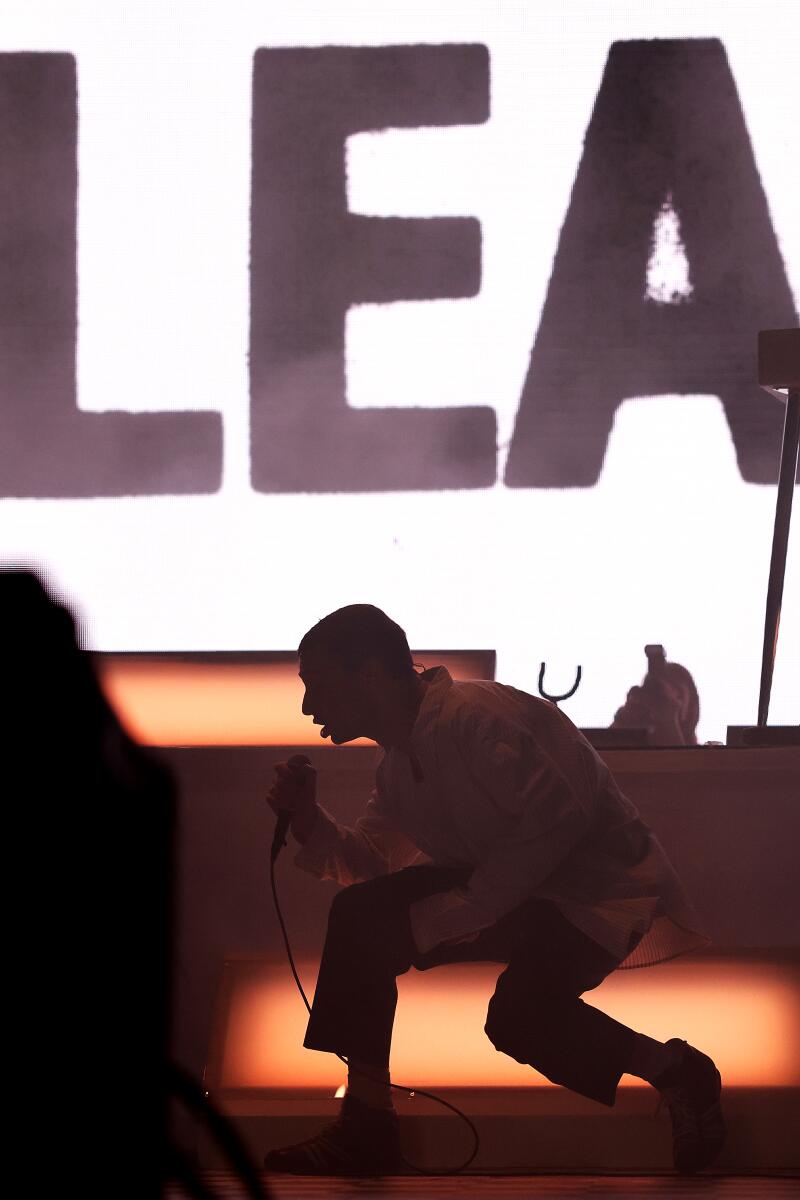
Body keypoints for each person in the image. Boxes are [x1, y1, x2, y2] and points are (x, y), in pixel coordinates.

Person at [264, 604, 725, 1176]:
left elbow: (561, 819)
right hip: (518, 900)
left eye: (318, 686)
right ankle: (367, 1122)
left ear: (370, 676)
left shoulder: (479, 718)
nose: (309, 707)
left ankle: (679, 1072)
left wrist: (455, 913)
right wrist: (308, 818)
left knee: (517, 1016)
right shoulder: (400, 768)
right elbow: (373, 864)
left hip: (595, 897)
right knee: (370, 921)